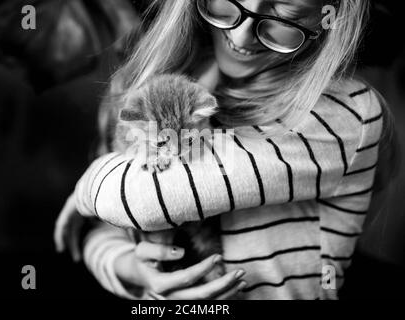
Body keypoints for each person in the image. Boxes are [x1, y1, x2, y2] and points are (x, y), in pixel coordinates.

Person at [55, 0, 396, 300]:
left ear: (328, 17)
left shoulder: (345, 111)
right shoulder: (149, 84)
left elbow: (139, 199)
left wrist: (86, 189)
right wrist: (126, 265)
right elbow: (108, 224)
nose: (242, 35)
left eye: (283, 10)